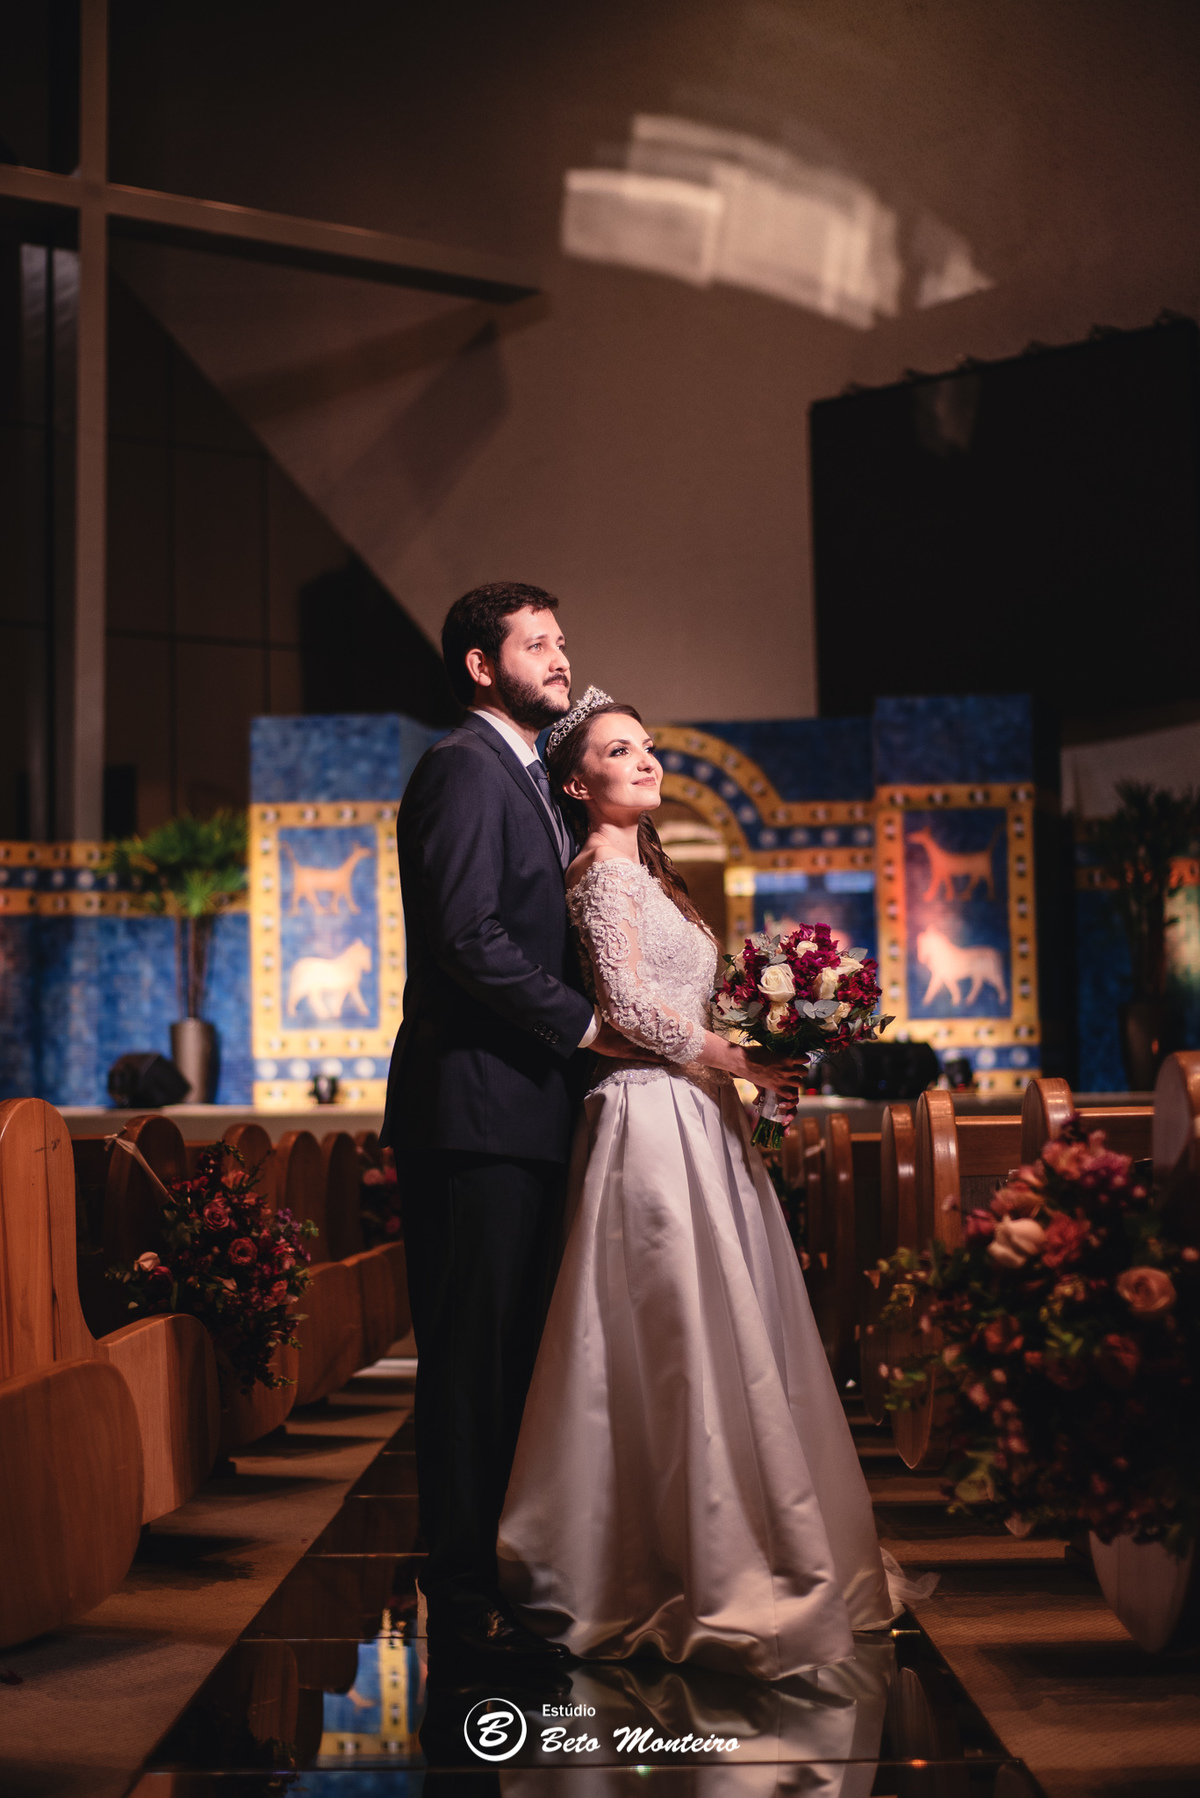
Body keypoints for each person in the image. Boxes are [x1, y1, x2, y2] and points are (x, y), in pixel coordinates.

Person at [497, 690, 896, 1679]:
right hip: (646, 1113)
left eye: (647, 748)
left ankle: (745, 1533)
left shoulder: (652, 873)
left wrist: (768, 1057)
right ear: (578, 782)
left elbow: (686, 997)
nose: (645, 762)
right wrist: (736, 1058)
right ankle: (665, 1558)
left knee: (735, 1326)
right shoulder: (595, 873)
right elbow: (626, 1006)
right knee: (673, 1332)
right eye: (618, 751)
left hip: (699, 1115)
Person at [381, 584, 640, 1667]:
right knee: (470, 1358)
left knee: (516, 1358)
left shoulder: (538, 783)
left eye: (563, 640)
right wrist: (590, 1025)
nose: (560, 656)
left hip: (525, 1113)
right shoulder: (462, 766)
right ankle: (461, 1580)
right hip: (474, 1111)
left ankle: (501, 1558)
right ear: (483, 666)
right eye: (537, 642)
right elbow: (465, 936)